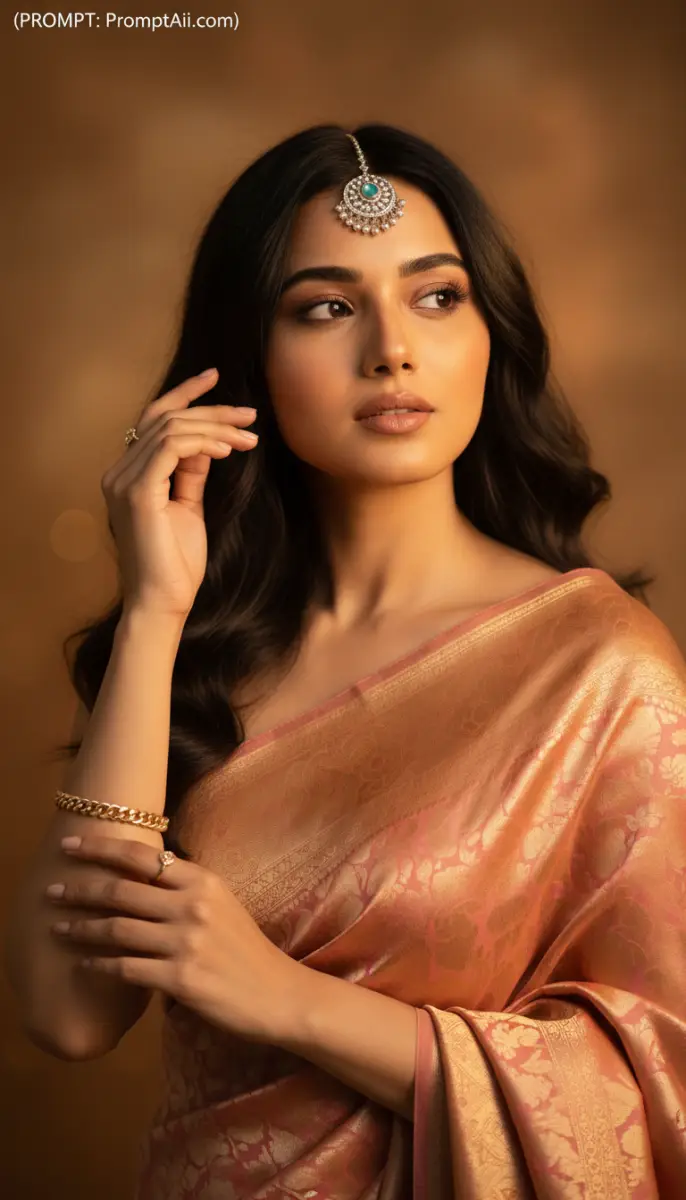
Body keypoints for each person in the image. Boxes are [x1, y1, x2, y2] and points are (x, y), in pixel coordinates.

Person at [5, 123, 686, 1199]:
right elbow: (69, 1013)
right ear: (245, 358)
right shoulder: (201, 648)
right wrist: (152, 611)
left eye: (436, 296)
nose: (391, 350)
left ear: (490, 333)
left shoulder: (598, 668)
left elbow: (657, 1079)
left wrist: (290, 1001)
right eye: (326, 307)